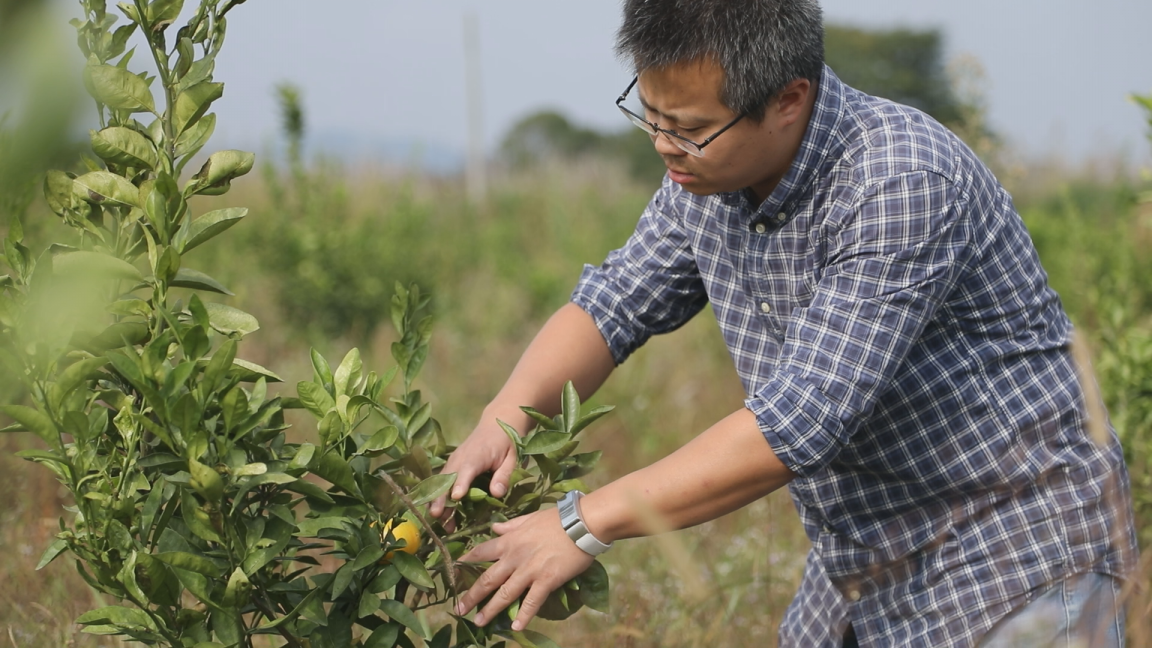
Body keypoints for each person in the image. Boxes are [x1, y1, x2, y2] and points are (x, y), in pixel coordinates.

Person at [429, 1, 1138, 645]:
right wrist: (504, 418)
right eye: (651, 115)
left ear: (789, 100)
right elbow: (614, 303)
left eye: (691, 128)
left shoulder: (898, 179)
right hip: (863, 562)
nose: (663, 145)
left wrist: (582, 525)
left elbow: (800, 419)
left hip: (1016, 553)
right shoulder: (703, 180)